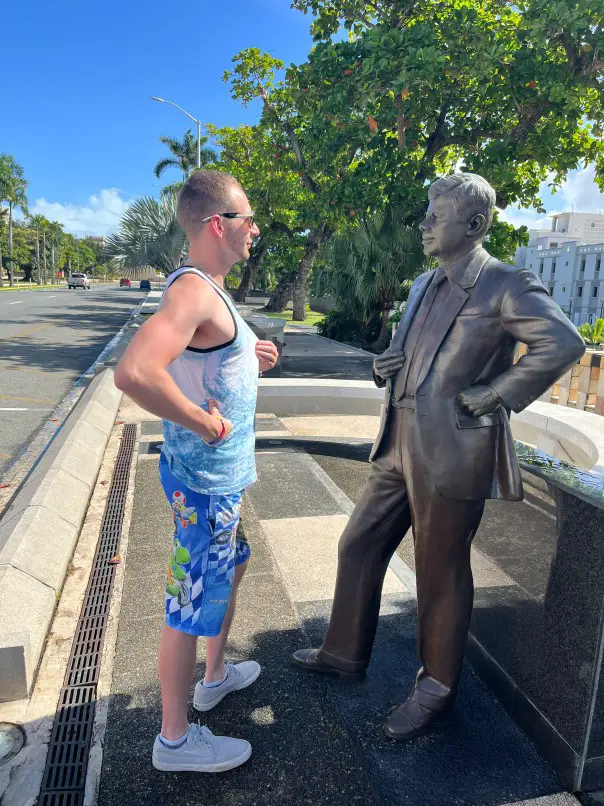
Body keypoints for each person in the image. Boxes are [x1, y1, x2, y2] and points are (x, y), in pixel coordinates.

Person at [292, 172, 585, 741]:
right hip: (399, 440)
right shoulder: (425, 283)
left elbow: (563, 341)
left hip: (452, 450)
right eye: (427, 213)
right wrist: (386, 366)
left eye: (437, 215)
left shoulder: (506, 282)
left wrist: (495, 393)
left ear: (474, 224)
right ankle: (344, 652)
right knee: (358, 543)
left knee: (440, 571)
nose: (425, 224)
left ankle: (435, 690)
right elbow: (410, 353)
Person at [115, 170, 278, 773]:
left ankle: (213, 677)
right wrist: (202, 422)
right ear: (218, 224)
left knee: (232, 564)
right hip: (205, 483)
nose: (254, 229)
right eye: (247, 219)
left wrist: (249, 353)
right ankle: (175, 740)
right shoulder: (193, 290)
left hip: (217, 480)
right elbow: (134, 372)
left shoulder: (211, 287)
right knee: (187, 604)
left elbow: (202, 356)